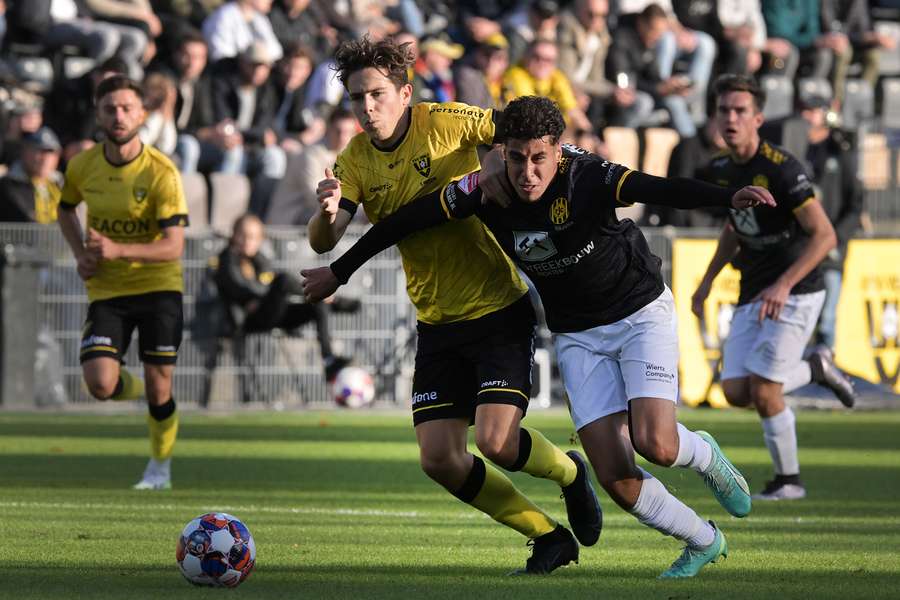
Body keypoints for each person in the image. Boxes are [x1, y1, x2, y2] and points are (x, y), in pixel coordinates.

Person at [302, 95, 770, 578]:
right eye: (517, 157)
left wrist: (726, 197)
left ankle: (705, 454)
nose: (528, 171)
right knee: (617, 480)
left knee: (658, 444)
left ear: (558, 151)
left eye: (539, 158)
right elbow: (406, 221)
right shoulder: (485, 188)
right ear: (502, 151)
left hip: (637, 313)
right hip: (576, 334)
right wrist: (338, 271)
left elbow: (661, 188)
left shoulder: (586, 176)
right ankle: (702, 540)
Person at [306, 37, 601, 575]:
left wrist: (493, 162)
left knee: (495, 441)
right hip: (436, 322)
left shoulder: (447, 121)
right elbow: (326, 241)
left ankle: (571, 474)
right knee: (439, 458)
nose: (366, 109)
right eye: (355, 99)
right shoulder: (352, 160)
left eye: (376, 95)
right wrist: (327, 212)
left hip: (497, 307)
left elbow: (518, 134)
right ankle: (548, 537)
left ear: (404, 92)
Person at [691, 74, 857, 502]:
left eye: (740, 110)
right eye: (724, 109)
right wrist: (707, 282)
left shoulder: (782, 168)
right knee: (735, 390)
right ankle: (816, 368)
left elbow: (824, 236)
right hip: (754, 286)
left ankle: (789, 481)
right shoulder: (722, 169)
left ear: (758, 118)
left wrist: (785, 284)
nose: (731, 117)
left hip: (797, 288)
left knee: (766, 390)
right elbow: (734, 228)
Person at [56, 75, 189, 491]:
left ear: (142, 114)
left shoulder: (162, 171)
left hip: (159, 288)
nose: (119, 115)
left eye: (127, 108)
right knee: (99, 385)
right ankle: (137, 389)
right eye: (110, 108)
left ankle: (159, 469)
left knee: (160, 385)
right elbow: (65, 210)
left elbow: (172, 247)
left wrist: (116, 250)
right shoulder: (82, 166)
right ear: (97, 114)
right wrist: (81, 253)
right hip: (108, 290)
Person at [214, 213, 355, 381]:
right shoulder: (227, 259)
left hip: (269, 312)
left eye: (253, 237)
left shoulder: (259, 258)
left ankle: (329, 359)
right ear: (234, 235)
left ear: (260, 239)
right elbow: (241, 289)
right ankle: (330, 299)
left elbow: (266, 285)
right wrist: (263, 295)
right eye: (243, 235)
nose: (247, 241)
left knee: (316, 303)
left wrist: (264, 295)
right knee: (284, 280)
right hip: (247, 319)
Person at [796, 94, 863, 351]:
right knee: (798, 317)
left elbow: (855, 203)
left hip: (830, 252)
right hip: (799, 248)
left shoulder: (839, 150)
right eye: (805, 110)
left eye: (813, 111)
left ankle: (825, 372)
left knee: (826, 318)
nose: (808, 117)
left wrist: (837, 238)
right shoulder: (795, 150)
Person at [0, 127, 64, 224]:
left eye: (50, 152)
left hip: (58, 238)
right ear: (24, 152)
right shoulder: (6, 186)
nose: (44, 158)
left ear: (58, 157)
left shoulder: (64, 185)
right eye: (38, 150)